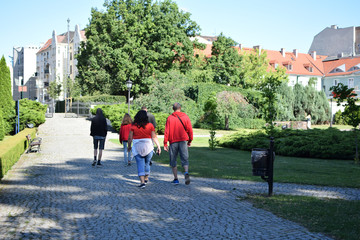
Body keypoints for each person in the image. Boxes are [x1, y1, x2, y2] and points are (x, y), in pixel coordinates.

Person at [128, 110, 161, 189]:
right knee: (147, 163)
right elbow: (154, 137)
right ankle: (146, 177)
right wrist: (159, 147)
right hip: (148, 147)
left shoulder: (133, 126)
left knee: (140, 164)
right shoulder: (150, 125)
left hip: (137, 147)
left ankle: (142, 182)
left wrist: (129, 146)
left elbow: (130, 138)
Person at [164, 103, 193, 185]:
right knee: (184, 158)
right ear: (180, 108)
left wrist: (165, 143)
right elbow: (190, 130)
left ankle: (176, 178)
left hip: (173, 141)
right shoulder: (185, 117)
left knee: (173, 160)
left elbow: (167, 131)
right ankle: (186, 172)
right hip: (183, 140)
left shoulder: (170, 118)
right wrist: (190, 140)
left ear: (173, 109)